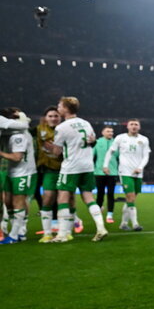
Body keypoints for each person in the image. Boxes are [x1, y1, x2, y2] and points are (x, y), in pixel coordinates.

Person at [41, 96, 108, 242]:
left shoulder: (62, 127)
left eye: (60, 106)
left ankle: (62, 234)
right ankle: (101, 228)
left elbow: (57, 152)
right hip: (87, 165)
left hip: (71, 167)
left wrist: (48, 147)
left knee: (63, 198)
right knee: (89, 197)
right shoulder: (86, 123)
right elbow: (92, 141)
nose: (58, 108)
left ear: (65, 108)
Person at [104, 119, 150, 231]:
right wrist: (105, 165)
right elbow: (110, 151)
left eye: (136, 124)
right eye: (131, 124)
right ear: (127, 126)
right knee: (130, 197)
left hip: (138, 173)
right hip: (125, 172)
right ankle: (135, 224)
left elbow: (146, 156)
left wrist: (140, 167)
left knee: (131, 199)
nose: (134, 126)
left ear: (139, 127)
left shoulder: (144, 139)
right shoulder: (120, 138)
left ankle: (123, 223)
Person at [0, 109, 35, 243]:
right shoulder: (11, 133)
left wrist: (1, 154)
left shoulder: (19, 135)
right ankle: (19, 231)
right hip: (12, 172)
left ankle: (15, 235)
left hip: (24, 172)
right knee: (8, 202)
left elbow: (17, 157)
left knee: (18, 202)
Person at [35, 106, 63, 240]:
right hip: (46, 168)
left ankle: (65, 228)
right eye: (50, 116)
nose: (53, 118)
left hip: (65, 168)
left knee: (66, 199)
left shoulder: (65, 130)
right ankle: (48, 231)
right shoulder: (38, 130)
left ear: (60, 117)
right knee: (47, 197)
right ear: (45, 118)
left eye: (56, 116)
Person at [94, 125, 119, 224]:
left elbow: (121, 156)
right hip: (99, 172)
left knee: (111, 194)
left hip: (112, 172)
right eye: (108, 131)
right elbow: (92, 156)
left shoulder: (116, 143)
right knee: (100, 194)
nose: (110, 133)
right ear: (102, 132)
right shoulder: (97, 142)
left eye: (112, 132)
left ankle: (109, 215)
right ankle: (98, 211)